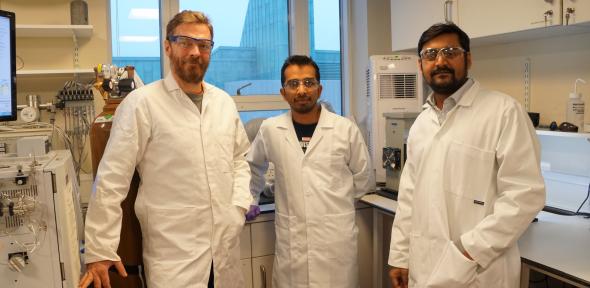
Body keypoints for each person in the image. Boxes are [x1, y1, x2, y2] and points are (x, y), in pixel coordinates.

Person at [79, 10, 252, 288]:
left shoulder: (223, 103)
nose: (195, 51)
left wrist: (238, 207)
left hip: (224, 250)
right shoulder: (142, 103)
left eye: (204, 45)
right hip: (173, 257)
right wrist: (99, 249)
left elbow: (239, 159)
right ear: (168, 46)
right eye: (186, 42)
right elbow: (111, 179)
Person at [388, 23, 546, 288]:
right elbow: (409, 197)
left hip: (479, 270)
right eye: (430, 55)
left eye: (450, 52)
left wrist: (467, 252)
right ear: (420, 65)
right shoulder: (421, 124)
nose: (440, 61)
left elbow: (525, 195)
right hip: (423, 265)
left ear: (468, 58)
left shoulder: (504, 112)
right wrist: (401, 256)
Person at [247, 55, 372, 287]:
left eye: (309, 83)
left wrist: (332, 206)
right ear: (283, 92)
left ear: (319, 88)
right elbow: (253, 165)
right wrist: (251, 199)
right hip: (292, 246)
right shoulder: (271, 129)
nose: (302, 90)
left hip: (336, 244)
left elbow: (363, 179)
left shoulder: (345, 129)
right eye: (293, 84)